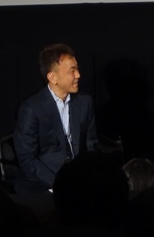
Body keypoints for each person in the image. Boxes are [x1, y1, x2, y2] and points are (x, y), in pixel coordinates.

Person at [12, 43, 100, 195]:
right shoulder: (32, 108)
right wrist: (61, 184)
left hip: (80, 179)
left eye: (77, 69)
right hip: (44, 182)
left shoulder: (84, 102)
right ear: (52, 77)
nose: (78, 75)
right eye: (72, 71)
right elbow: (27, 160)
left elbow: (91, 146)